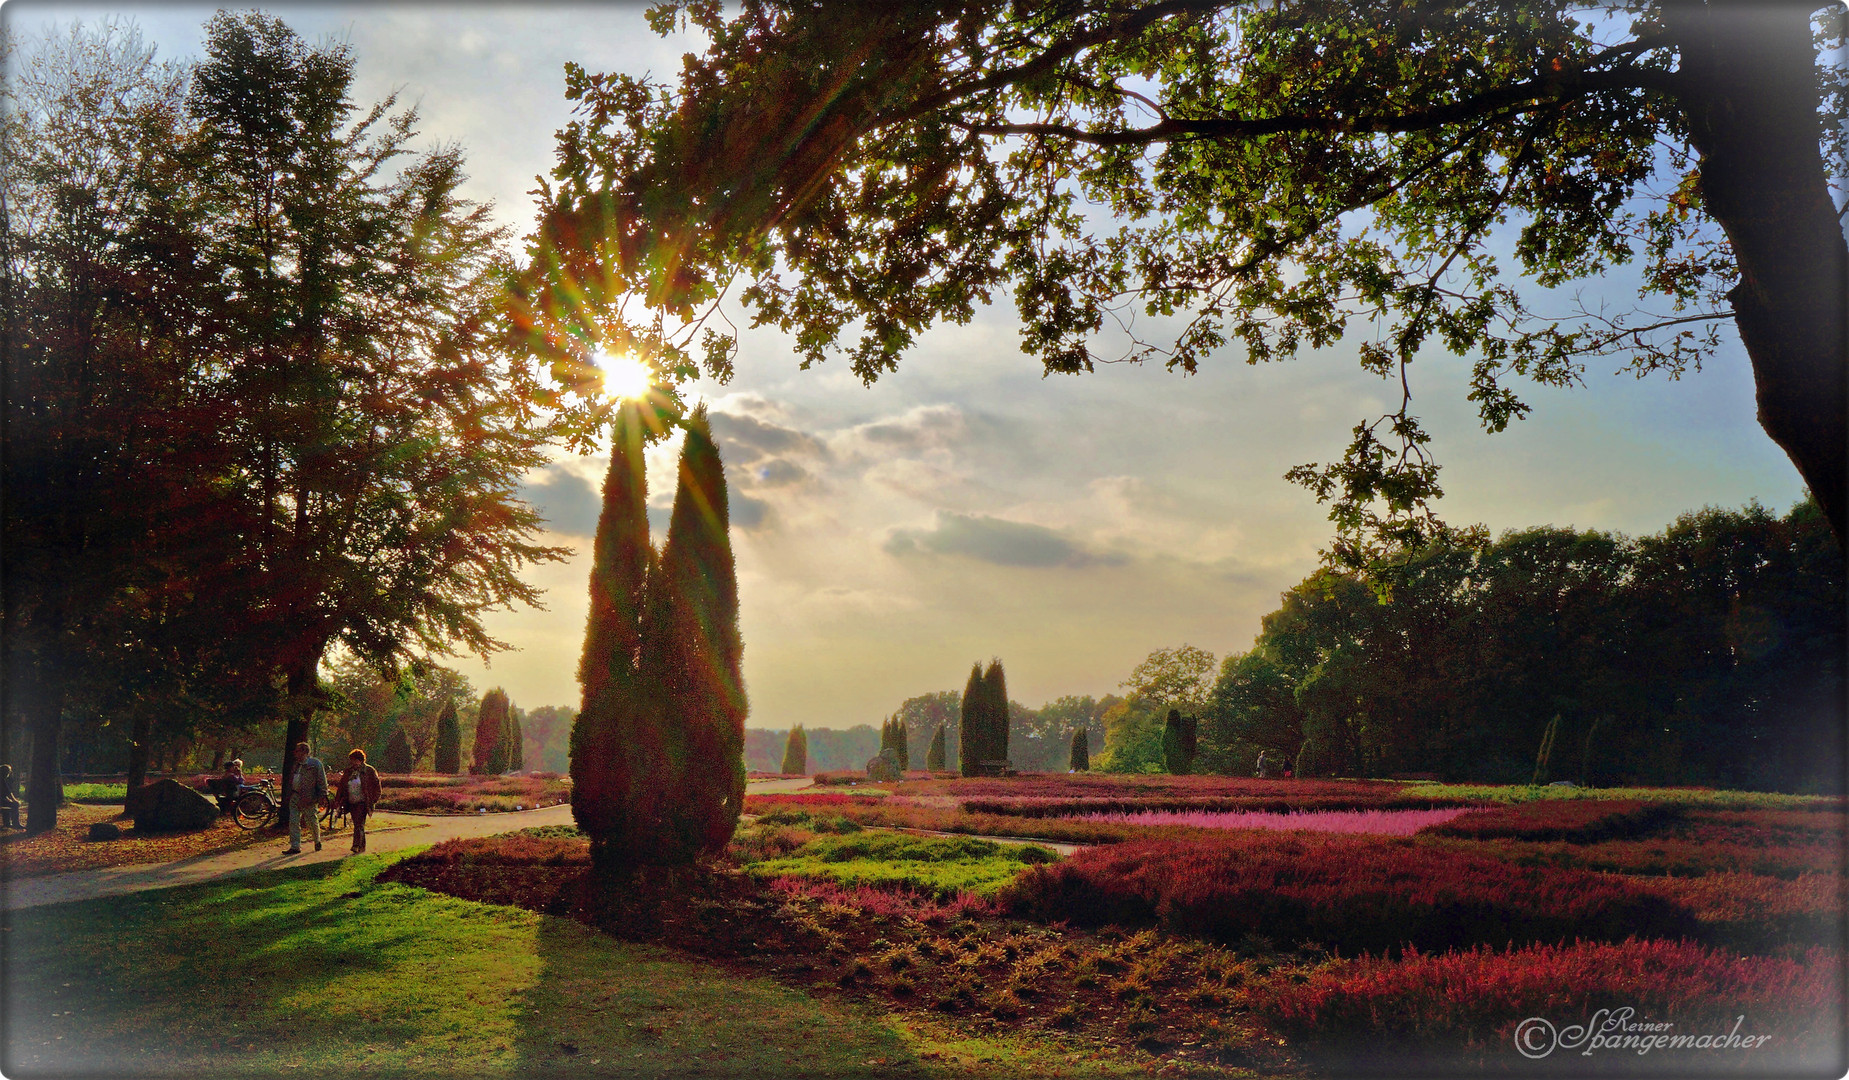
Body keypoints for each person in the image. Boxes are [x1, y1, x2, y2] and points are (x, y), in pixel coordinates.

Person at [333, 749, 382, 854]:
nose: (353, 763)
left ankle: (356, 845)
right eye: (352, 760)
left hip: (363, 802)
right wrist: (337, 800)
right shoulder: (349, 771)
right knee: (358, 824)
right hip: (351, 801)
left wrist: (373, 800)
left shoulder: (369, 770)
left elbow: (377, 786)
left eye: (355, 760)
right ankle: (361, 847)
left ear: (360, 760)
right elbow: (342, 786)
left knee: (358, 823)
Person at [284, 742, 328, 854]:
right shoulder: (296, 764)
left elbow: (322, 781)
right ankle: (295, 846)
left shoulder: (315, 764)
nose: (295, 753)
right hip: (295, 795)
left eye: (298, 751)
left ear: (304, 752)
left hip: (309, 797)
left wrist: (322, 795)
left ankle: (317, 841)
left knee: (312, 821)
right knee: (293, 821)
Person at [0, 764, 22, 830]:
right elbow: (8, 792)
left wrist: (8, 799)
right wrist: (15, 800)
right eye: (9, 771)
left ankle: (7, 823)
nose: (9, 773)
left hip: (1, 800)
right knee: (15, 804)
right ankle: (16, 824)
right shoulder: (1, 780)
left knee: (7, 803)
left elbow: (4, 793)